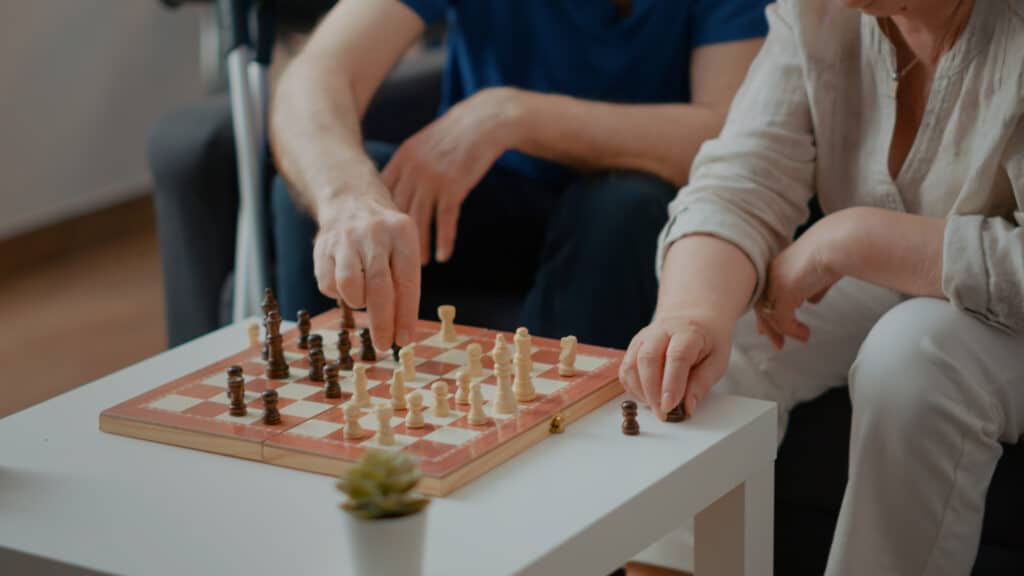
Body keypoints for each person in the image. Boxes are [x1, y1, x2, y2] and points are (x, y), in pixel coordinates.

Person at [620, 0, 1024, 573]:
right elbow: (742, 178)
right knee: (712, 346)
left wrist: (857, 238)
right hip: (904, 284)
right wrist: (689, 316)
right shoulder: (814, 11)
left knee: (913, 357)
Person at [269, 0, 769, 350]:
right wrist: (347, 198)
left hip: (632, 220)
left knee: (624, 206)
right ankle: (330, 431)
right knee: (322, 198)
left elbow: (727, 136)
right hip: (485, 207)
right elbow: (319, 70)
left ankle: (562, 461)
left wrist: (513, 115)